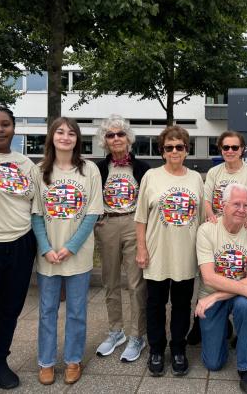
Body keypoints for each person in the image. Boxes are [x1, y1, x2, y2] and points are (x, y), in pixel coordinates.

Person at [32, 117, 103, 386]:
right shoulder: (39, 171)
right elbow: (36, 214)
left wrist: (71, 248)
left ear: (77, 139)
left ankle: (73, 359)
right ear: (52, 137)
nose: (65, 137)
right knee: (47, 310)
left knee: (76, 311)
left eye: (71, 133)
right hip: (48, 256)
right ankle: (46, 362)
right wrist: (46, 248)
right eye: (60, 132)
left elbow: (93, 212)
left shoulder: (90, 170)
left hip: (79, 255)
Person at [135, 126, 204, 377]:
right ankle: (156, 349)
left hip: (185, 254)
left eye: (180, 147)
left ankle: (178, 349)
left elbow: (203, 218)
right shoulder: (151, 177)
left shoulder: (196, 179)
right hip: (156, 254)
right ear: (162, 151)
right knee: (155, 304)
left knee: (182, 305)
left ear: (187, 150)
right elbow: (140, 218)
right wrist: (141, 249)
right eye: (169, 147)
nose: (174, 151)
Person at [188, 130, 247, 345]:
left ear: (242, 150)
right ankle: (199, 321)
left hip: (240, 225)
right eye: (226, 147)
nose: (230, 151)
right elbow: (207, 198)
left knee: (238, 270)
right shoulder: (214, 172)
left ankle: (239, 326)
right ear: (221, 149)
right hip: (217, 227)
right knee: (209, 274)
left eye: (235, 147)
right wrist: (211, 216)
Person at [0, 106, 37, 393]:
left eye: (5, 124)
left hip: (20, 245)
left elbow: (35, 205)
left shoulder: (26, 164)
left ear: (14, 128)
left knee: (10, 309)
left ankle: (0, 362)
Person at [196, 183, 247, 393]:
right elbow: (208, 277)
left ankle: (246, 365)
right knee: (213, 363)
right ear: (223, 205)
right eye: (236, 204)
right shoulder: (207, 230)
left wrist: (216, 297)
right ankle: (224, 329)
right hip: (211, 294)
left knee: (246, 306)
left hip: (230, 297)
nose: (242, 209)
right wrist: (215, 296)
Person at [94, 115, 150, 362]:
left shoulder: (141, 168)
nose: (116, 138)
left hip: (133, 223)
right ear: (104, 141)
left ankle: (138, 335)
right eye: (110, 135)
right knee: (110, 281)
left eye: (120, 134)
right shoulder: (97, 168)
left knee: (136, 284)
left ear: (128, 138)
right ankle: (116, 331)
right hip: (107, 224)